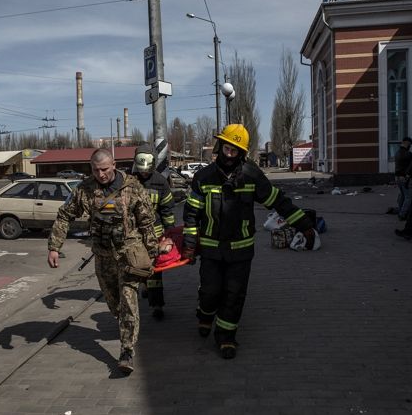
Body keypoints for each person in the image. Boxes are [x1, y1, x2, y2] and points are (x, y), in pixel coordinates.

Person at [182, 124, 321, 360]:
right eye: (226, 148)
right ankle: (205, 315)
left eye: (234, 151)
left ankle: (226, 337)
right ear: (219, 147)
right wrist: (189, 244)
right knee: (210, 292)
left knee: (234, 295)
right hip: (211, 251)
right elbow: (191, 213)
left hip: (241, 251)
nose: (228, 155)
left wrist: (305, 226)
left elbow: (279, 202)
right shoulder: (203, 178)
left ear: (242, 153)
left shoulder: (252, 175)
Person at [47, 148, 158, 374]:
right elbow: (64, 215)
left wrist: (153, 253)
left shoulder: (132, 187)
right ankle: (126, 324)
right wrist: (54, 247)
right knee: (114, 302)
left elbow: (146, 221)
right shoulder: (84, 190)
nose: (101, 174)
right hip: (102, 255)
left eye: (105, 169)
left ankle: (126, 351)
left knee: (128, 299)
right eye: (96, 170)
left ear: (114, 164)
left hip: (128, 254)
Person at [132, 144, 175, 320]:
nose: (144, 174)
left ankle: (157, 305)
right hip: (133, 235)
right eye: (141, 170)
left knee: (155, 271)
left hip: (154, 235)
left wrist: (170, 233)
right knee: (137, 268)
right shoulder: (130, 181)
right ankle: (144, 287)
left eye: (147, 170)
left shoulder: (160, 182)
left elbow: (167, 210)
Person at [394, 137, 412, 220]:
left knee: (402, 195)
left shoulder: (397, 153)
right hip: (405, 178)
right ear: (406, 143)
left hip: (397, 177)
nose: (410, 146)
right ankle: (402, 214)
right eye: (409, 144)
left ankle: (400, 211)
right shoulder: (408, 154)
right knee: (408, 197)